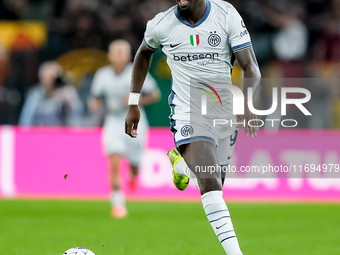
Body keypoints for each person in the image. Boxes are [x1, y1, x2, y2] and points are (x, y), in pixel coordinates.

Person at [125, 0, 261, 254]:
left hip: (224, 113)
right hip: (188, 112)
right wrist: (134, 102)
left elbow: (251, 67)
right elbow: (143, 53)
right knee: (211, 185)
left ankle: (181, 166)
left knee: (212, 182)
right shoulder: (161, 24)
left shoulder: (226, 14)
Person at [89, 39, 160, 218]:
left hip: (135, 121)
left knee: (135, 164)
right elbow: (95, 97)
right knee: (113, 163)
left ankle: (133, 175)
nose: (119, 56)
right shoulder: (102, 75)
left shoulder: (136, 72)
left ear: (129, 56)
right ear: (109, 56)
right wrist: (94, 104)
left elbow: (155, 94)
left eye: (122, 52)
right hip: (113, 121)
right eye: (115, 52)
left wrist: (135, 101)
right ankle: (118, 204)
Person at [19, 61, 83, 126]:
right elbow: (26, 118)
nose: (49, 81)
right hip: (39, 134)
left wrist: (71, 100)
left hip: (60, 134)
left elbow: (78, 115)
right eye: (46, 77)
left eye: (52, 77)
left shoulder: (66, 92)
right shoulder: (36, 94)